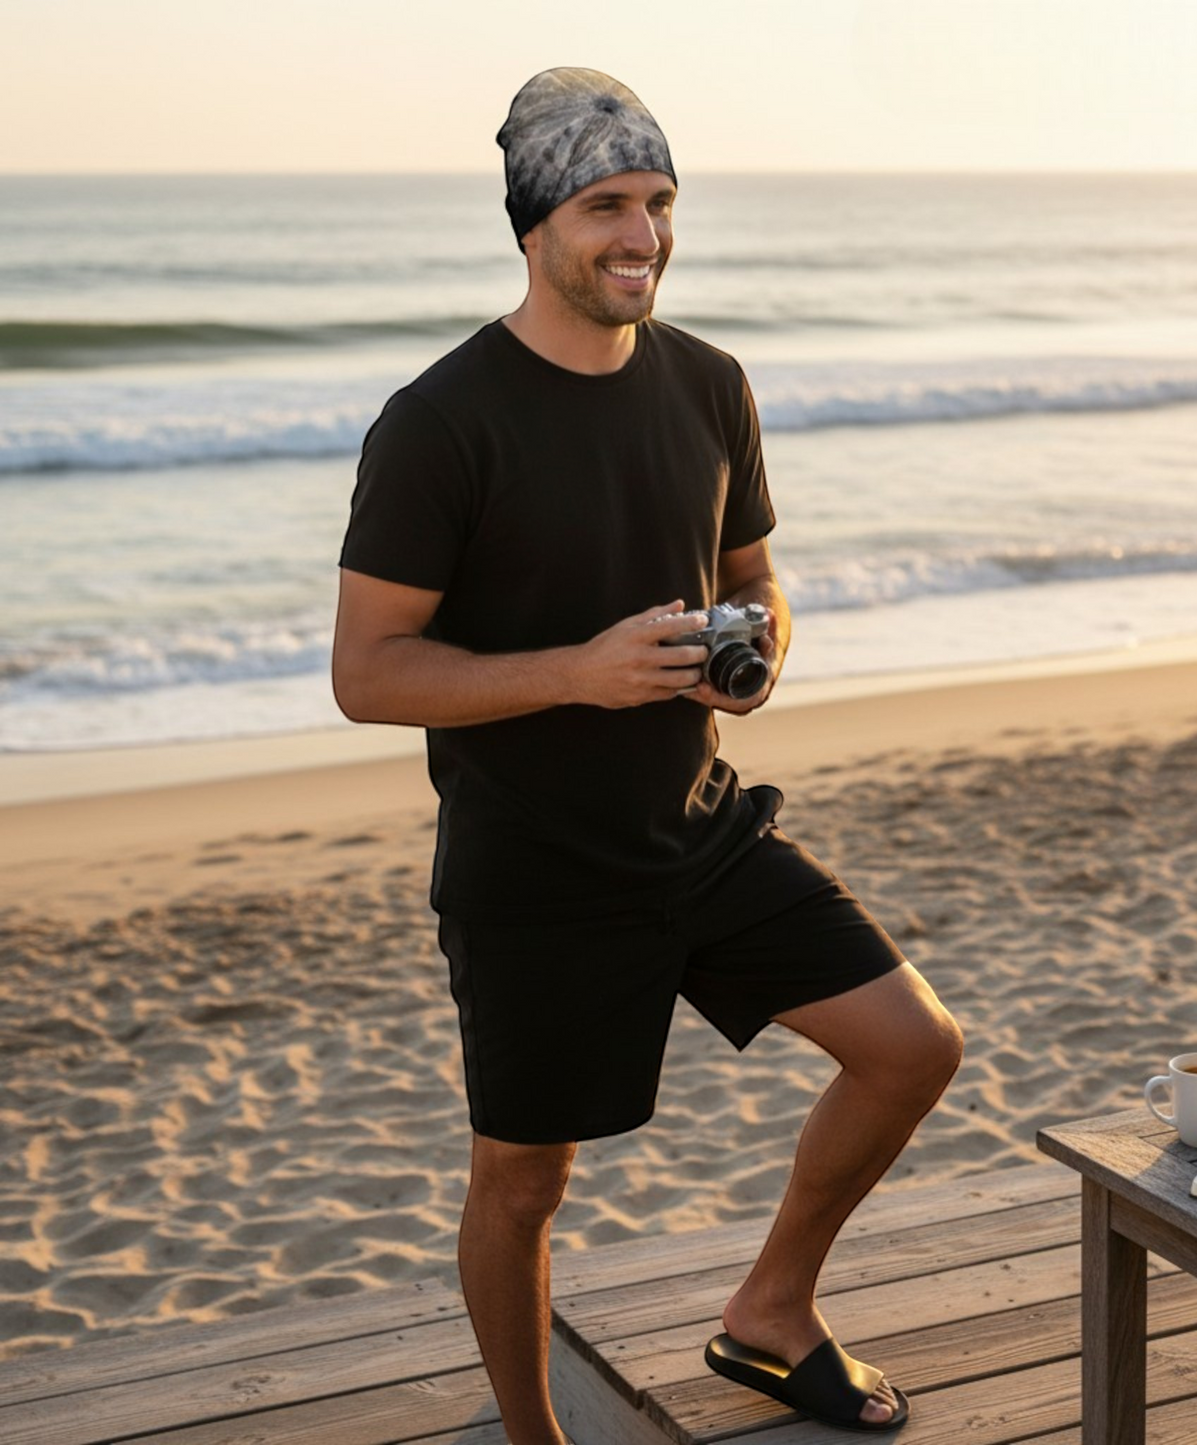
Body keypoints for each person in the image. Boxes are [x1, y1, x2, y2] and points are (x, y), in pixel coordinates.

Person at [332, 67, 964, 1445]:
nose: (644, 234)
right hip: (535, 873)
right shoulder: (439, 421)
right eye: (608, 203)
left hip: (703, 827)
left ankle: (772, 1311)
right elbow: (366, 673)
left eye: (662, 202)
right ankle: (533, 1435)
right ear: (534, 226)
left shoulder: (711, 383)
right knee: (521, 1189)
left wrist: (765, 647)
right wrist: (579, 673)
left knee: (912, 1046)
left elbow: (756, 574)